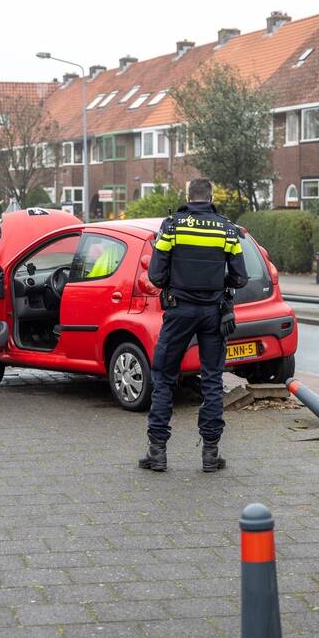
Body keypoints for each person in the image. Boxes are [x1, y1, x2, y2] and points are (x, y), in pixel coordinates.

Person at [138, 178, 249, 473]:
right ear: (210, 197)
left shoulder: (172, 226)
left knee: (163, 377)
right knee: (212, 380)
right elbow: (240, 278)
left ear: (188, 197)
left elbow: (157, 276)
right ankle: (210, 455)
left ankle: (157, 453)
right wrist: (216, 283)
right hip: (214, 312)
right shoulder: (226, 228)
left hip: (179, 312)